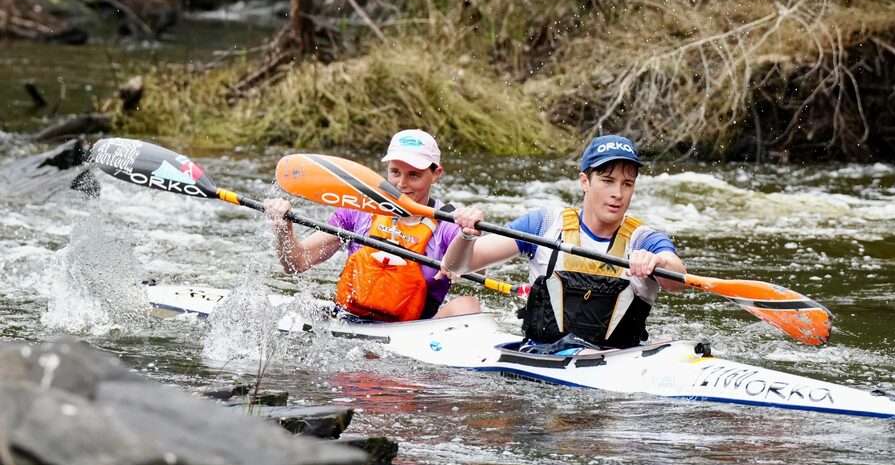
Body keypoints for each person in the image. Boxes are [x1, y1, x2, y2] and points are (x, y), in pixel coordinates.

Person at [440, 134, 685, 349]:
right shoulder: (543, 224)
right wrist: (466, 236)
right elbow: (456, 266)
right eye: (607, 181)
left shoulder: (644, 239)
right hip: (542, 360)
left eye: (627, 184)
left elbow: (677, 281)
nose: (618, 194)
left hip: (616, 363)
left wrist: (658, 261)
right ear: (585, 181)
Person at [264, 129, 481, 321]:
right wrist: (283, 229)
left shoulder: (448, 224)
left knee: (468, 305)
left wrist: (469, 235)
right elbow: (297, 263)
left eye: (414, 175)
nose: (401, 184)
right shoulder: (359, 209)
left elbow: (476, 267)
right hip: (350, 319)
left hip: (413, 330)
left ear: (436, 175)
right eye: (395, 172)